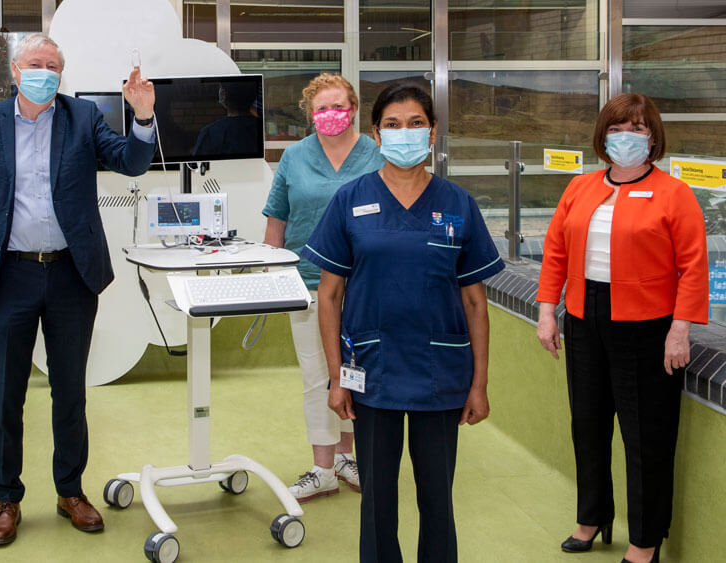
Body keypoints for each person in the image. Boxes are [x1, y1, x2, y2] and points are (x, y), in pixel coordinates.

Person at [0, 33, 156, 545]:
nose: (44, 71)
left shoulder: (81, 118)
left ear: (61, 75)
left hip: (70, 275)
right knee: (5, 396)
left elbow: (130, 162)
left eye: (53, 65)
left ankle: (70, 490)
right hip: (9, 276)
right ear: (16, 71)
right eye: (35, 63)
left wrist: (143, 116)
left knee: (70, 392)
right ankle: (6, 497)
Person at [303, 84, 504, 562]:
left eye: (416, 123)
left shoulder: (458, 204)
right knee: (377, 500)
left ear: (432, 132)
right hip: (372, 371)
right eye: (392, 125)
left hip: (441, 373)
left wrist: (479, 384)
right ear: (376, 134)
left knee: (438, 498)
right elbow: (328, 296)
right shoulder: (350, 200)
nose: (405, 134)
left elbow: (476, 303)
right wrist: (336, 378)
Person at [536, 93, 708, 563]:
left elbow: (693, 266)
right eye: (616, 128)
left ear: (652, 138)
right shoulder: (582, 187)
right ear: (602, 135)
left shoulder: (675, 194)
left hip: (647, 326)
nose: (625, 137)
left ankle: (645, 539)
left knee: (645, 437)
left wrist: (681, 328)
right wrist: (548, 310)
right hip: (585, 317)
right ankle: (593, 516)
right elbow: (555, 252)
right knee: (587, 425)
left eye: (636, 128)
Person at [262, 73, 384, 503]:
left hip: (366, 286)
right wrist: (272, 274)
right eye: (321, 109)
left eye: (338, 106)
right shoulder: (295, 157)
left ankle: (347, 456)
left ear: (353, 108)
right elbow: (276, 219)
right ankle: (322, 466)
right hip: (307, 282)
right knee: (317, 377)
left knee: (356, 373)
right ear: (309, 115)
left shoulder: (376, 154)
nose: (330, 115)